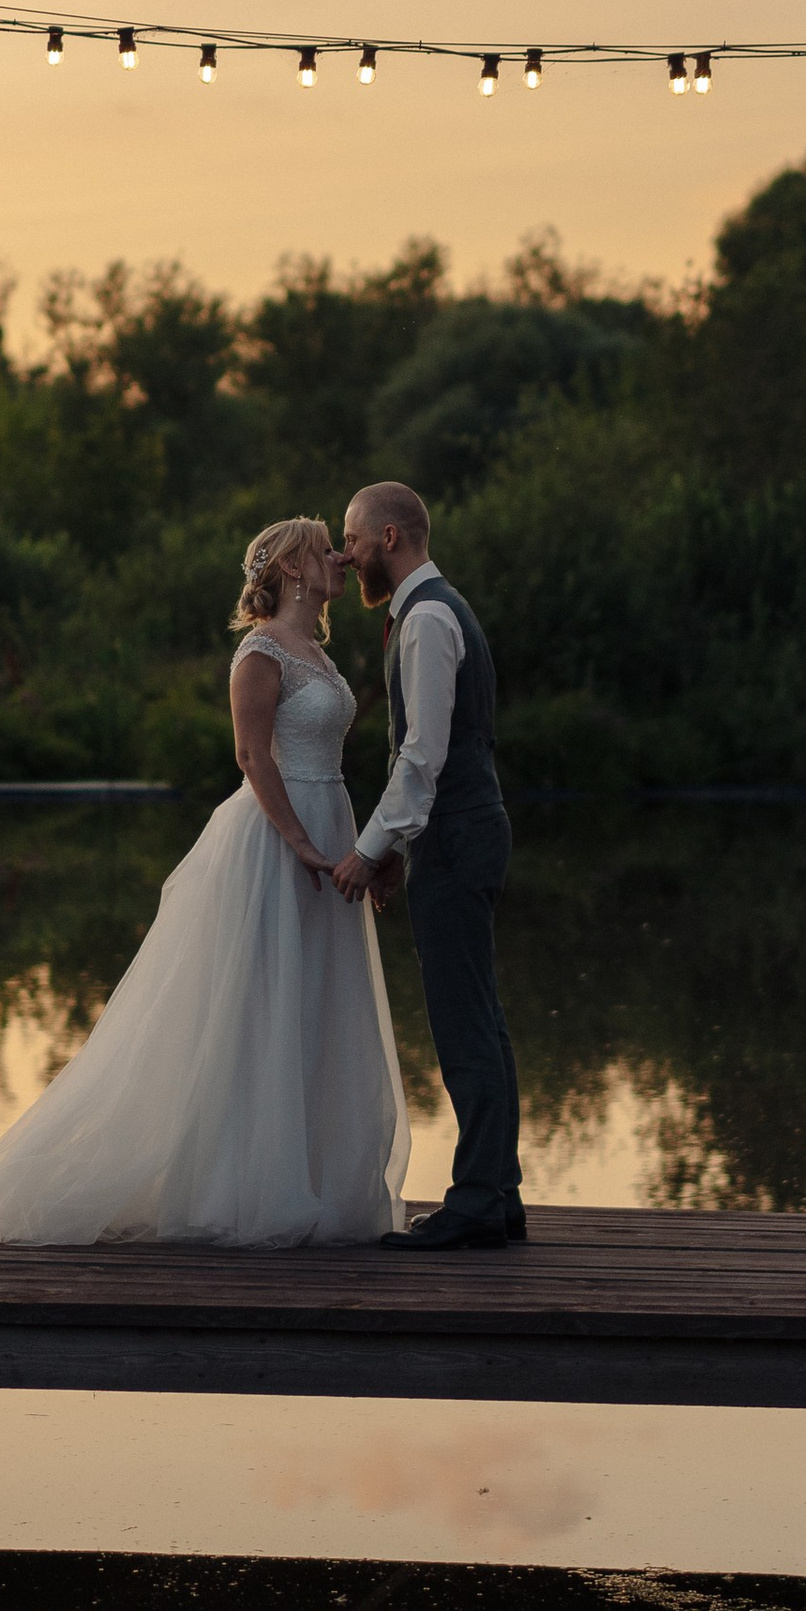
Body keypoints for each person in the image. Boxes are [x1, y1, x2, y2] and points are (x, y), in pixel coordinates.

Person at [0, 515, 408, 1246]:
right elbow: (250, 755)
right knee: (255, 1004)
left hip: (331, 826)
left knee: (312, 1000)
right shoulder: (260, 651)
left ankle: (307, 1175)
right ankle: (241, 1188)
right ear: (294, 570)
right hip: (275, 839)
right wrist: (297, 841)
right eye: (323, 548)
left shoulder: (319, 656)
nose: (338, 556)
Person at [329, 481, 525, 1250]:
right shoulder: (425, 612)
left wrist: (368, 850)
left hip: (459, 834)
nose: (345, 554)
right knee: (480, 1020)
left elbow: (422, 759)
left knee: (465, 1023)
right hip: (452, 837)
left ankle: (479, 1199)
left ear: (387, 538)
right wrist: (398, 856)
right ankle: (497, 1195)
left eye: (350, 538)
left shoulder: (429, 618)